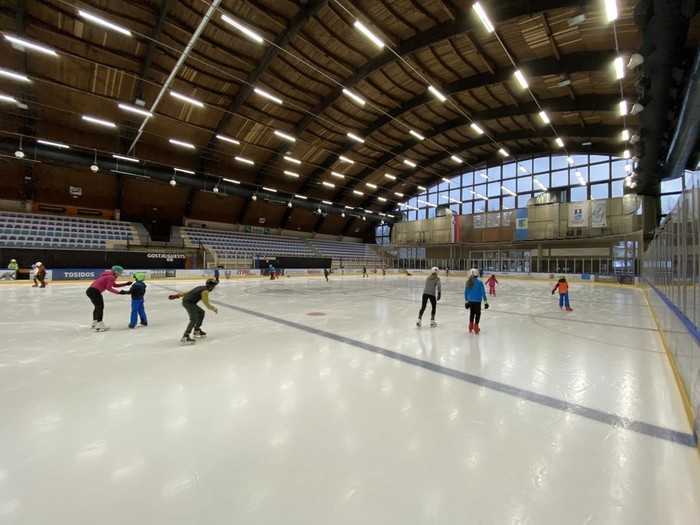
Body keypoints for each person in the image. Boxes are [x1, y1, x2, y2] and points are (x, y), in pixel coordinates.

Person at [169, 278, 218, 345]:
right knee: (194, 319)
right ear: (211, 286)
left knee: (201, 312)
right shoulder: (205, 291)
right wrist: (213, 308)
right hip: (188, 303)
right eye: (214, 286)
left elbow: (188, 292)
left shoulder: (200, 287)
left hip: (189, 302)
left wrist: (178, 295)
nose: (214, 288)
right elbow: (206, 303)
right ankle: (185, 336)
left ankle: (197, 330)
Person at [85, 265, 132, 331]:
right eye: (120, 272)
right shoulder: (111, 277)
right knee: (100, 307)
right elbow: (109, 288)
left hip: (90, 291)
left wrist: (125, 284)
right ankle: (100, 323)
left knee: (97, 307)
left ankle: (95, 322)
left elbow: (114, 285)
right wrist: (120, 292)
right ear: (116, 272)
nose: (121, 273)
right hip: (95, 291)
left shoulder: (109, 276)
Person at [465, 268, 489, 334]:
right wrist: (486, 302)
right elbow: (483, 293)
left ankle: (470, 326)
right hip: (477, 301)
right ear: (477, 274)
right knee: (478, 313)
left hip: (470, 301)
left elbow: (466, 293)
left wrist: (466, 302)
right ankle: (476, 327)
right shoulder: (479, 283)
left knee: (472, 313)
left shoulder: (468, 282)